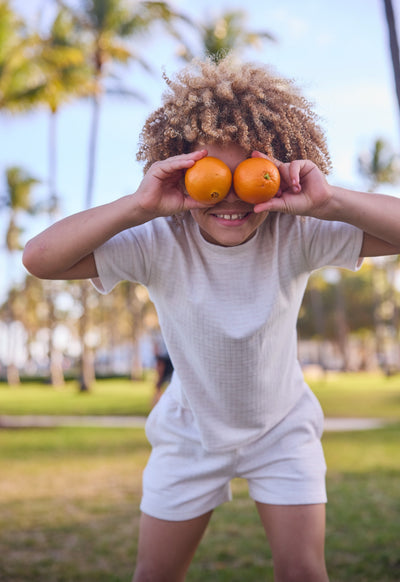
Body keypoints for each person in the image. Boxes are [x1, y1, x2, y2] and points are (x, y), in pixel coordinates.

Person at [22, 57, 400, 582]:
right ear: (179, 173)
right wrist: (139, 206)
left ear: (277, 172)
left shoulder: (296, 231)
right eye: (209, 178)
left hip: (282, 428)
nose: (228, 198)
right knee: (154, 575)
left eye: (246, 177)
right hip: (188, 431)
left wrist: (329, 198)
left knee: (304, 572)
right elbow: (40, 258)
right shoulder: (158, 240)